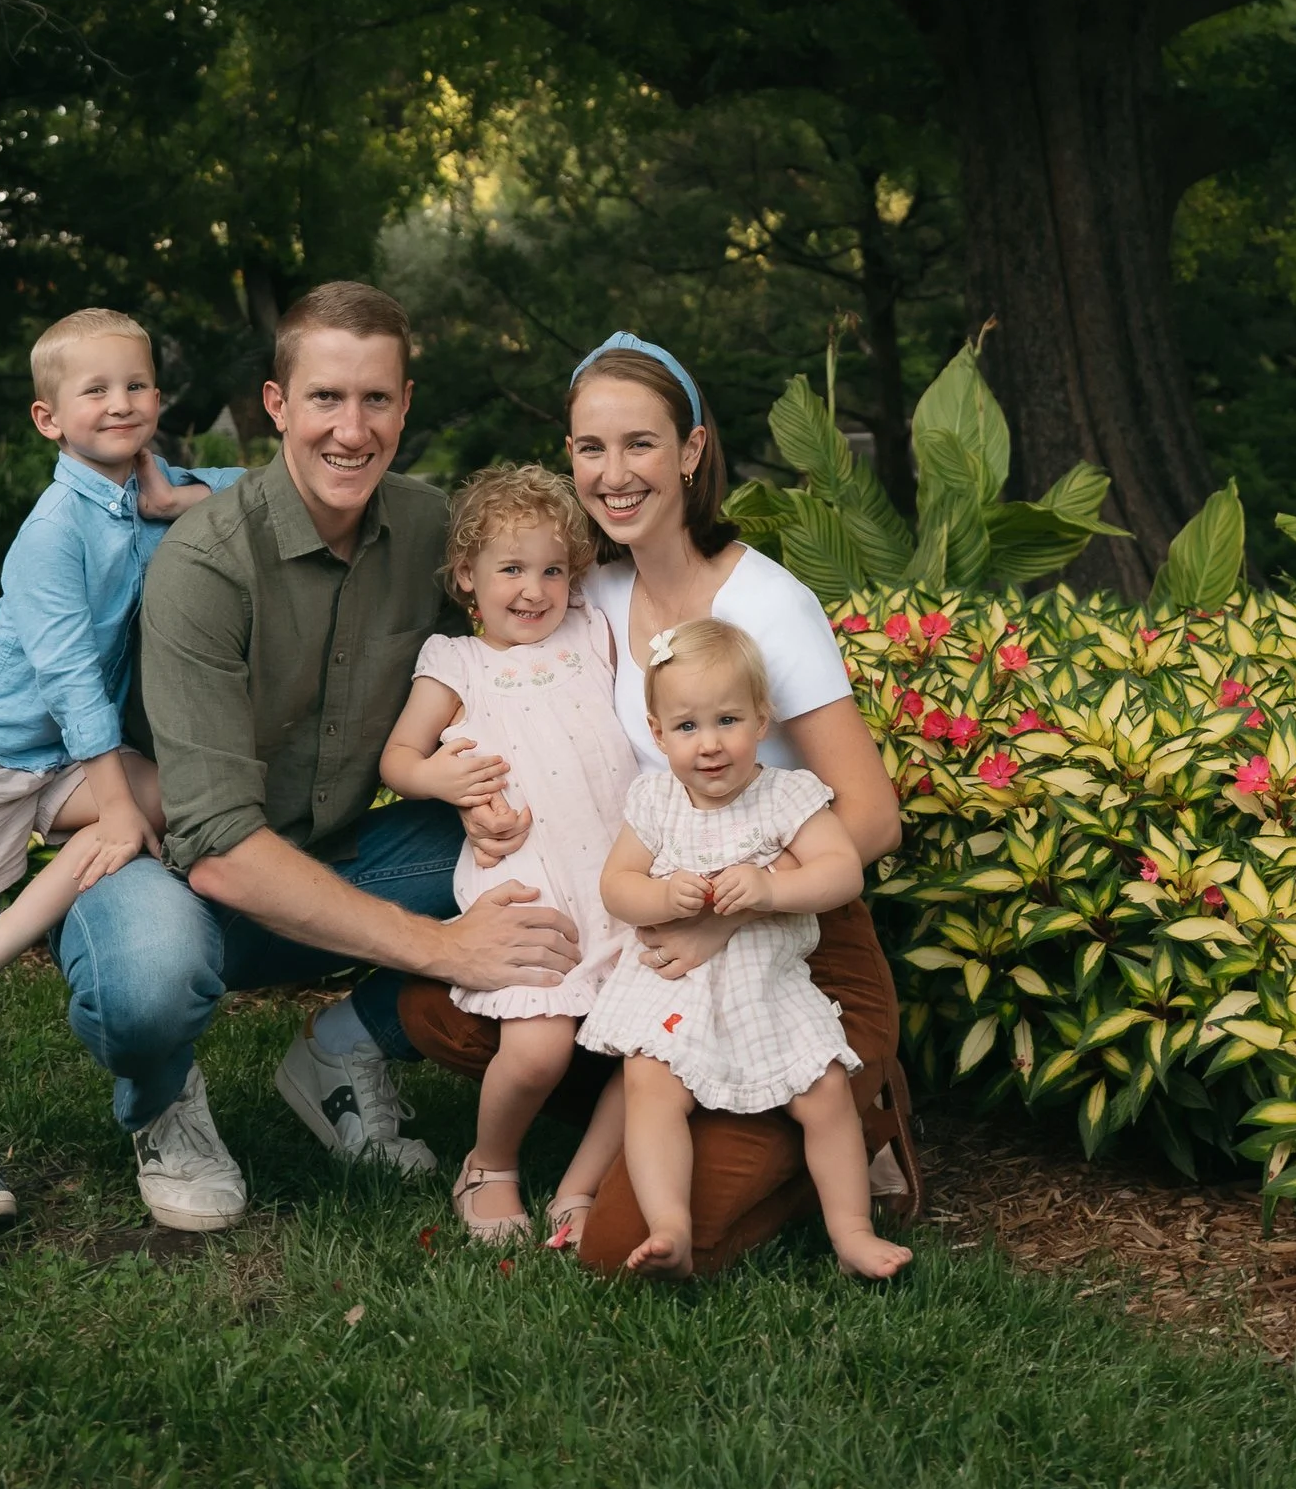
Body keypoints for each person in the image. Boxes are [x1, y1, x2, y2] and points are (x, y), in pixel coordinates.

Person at [46, 280, 584, 1232]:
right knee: (145, 984)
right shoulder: (207, 563)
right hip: (175, 871)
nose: (351, 428)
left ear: (406, 405)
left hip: (338, 853)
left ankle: (343, 1048)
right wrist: (445, 947)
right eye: (326, 399)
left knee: (547, 853)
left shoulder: (428, 530)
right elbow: (211, 842)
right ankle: (164, 1101)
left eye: (376, 398)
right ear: (277, 405)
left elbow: (553, 574)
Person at [399, 328, 919, 1275]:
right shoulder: (584, 594)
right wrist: (475, 796)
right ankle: (650, 1123)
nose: (614, 472)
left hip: (793, 942)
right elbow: (512, 713)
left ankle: (862, 1107)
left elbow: (874, 819)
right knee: (448, 1013)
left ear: (690, 452)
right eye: (591, 448)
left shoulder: (768, 605)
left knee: (615, 1245)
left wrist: (727, 915)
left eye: (641, 444)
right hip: (649, 930)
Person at [0, 306, 239, 1223]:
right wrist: (117, 803)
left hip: (62, 755)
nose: (121, 403)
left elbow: (262, 489)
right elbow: (69, 681)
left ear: (159, 398)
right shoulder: (53, 528)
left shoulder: (141, 490)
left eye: (136, 386)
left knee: (184, 801)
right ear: (50, 419)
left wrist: (182, 502)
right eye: (96, 391)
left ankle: (8, 935)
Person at [582, 617, 910, 1280]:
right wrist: (660, 897)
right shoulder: (656, 802)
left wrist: (767, 886)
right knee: (650, 1084)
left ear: (763, 721)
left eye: (727, 720)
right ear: (657, 734)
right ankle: (670, 1223)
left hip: (768, 982)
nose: (709, 745)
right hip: (676, 989)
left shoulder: (785, 797)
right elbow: (616, 886)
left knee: (822, 1091)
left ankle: (850, 1231)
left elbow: (842, 871)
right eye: (686, 727)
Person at [378, 463, 637, 1247]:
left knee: (652, 1042)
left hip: (619, 878)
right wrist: (441, 779)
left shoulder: (591, 633)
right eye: (511, 569)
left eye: (553, 569)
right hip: (533, 885)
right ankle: (490, 1165)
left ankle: (582, 1186)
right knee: (537, 1050)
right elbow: (397, 759)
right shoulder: (457, 662)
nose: (534, 589)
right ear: (468, 575)